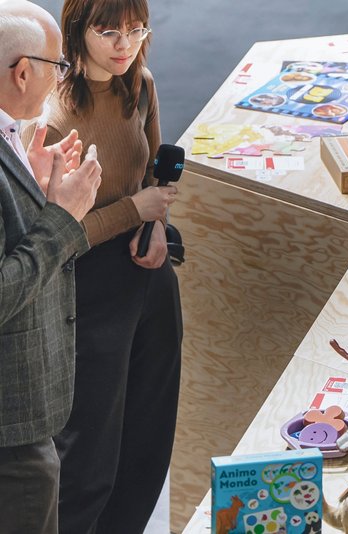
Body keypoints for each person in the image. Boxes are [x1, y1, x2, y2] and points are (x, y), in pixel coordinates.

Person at [25, 0, 182, 531]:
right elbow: (56, 238)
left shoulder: (141, 86)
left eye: (136, 31)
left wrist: (156, 225)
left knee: (149, 438)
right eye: (108, 31)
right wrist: (134, 212)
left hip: (149, 273)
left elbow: (155, 178)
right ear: (78, 30)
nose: (124, 45)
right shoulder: (52, 117)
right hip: (86, 287)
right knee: (88, 457)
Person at [0, 2, 103, 533]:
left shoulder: (11, 133)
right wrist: (63, 217)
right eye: (57, 65)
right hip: (10, 435)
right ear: (22, 72)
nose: (62, 77)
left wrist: (36, 197)